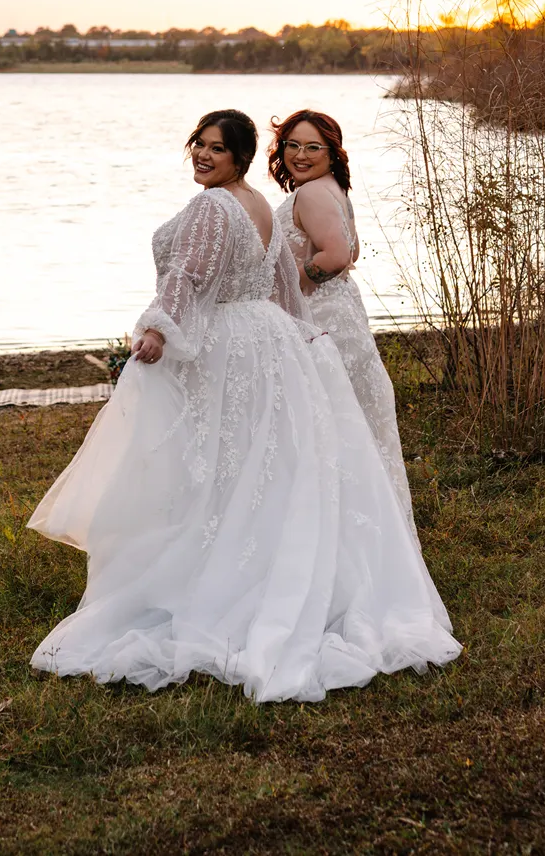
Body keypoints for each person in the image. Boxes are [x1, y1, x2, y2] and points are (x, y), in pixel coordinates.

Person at [28, 108, 459, 703]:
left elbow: (187, 274)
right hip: (268, 345)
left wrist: (156, 330)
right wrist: (305, 339)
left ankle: (210, 583)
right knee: (258, 464)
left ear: (240, 157)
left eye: (215, 149)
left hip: (227, 344)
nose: (203, 157)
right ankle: (253, 569)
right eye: (197, 146)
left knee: (216, 464)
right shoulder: (260, 205)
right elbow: (284, 286)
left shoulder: (213, 207)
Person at [269, 109, 413, 523]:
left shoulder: (312, 193)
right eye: (292, 144)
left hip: (320, 320)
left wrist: (283, 283)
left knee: (324, 422)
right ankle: (365, 523)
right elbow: (353, 252)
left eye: (313, 146)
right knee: (349, 422)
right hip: (343, 315)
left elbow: (335, 256)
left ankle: (332, 524)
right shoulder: (333, 189)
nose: (300, 154)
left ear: (332, 152)